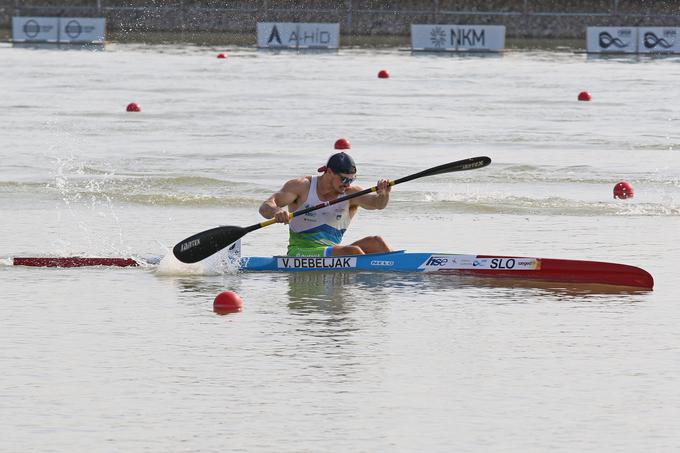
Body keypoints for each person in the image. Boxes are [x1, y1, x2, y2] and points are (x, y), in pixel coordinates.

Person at [259, 152, 393, 257]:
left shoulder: (351, 193)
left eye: (352, 180)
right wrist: (277, 212)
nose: (347, 184)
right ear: (329, 172)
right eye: (344, 178)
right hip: (300, 252)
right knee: (353, 252)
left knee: (377, 242)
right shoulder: (302, 186)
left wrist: (384, 194)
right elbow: (265, 207)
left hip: (332, 251)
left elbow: (377, 204)